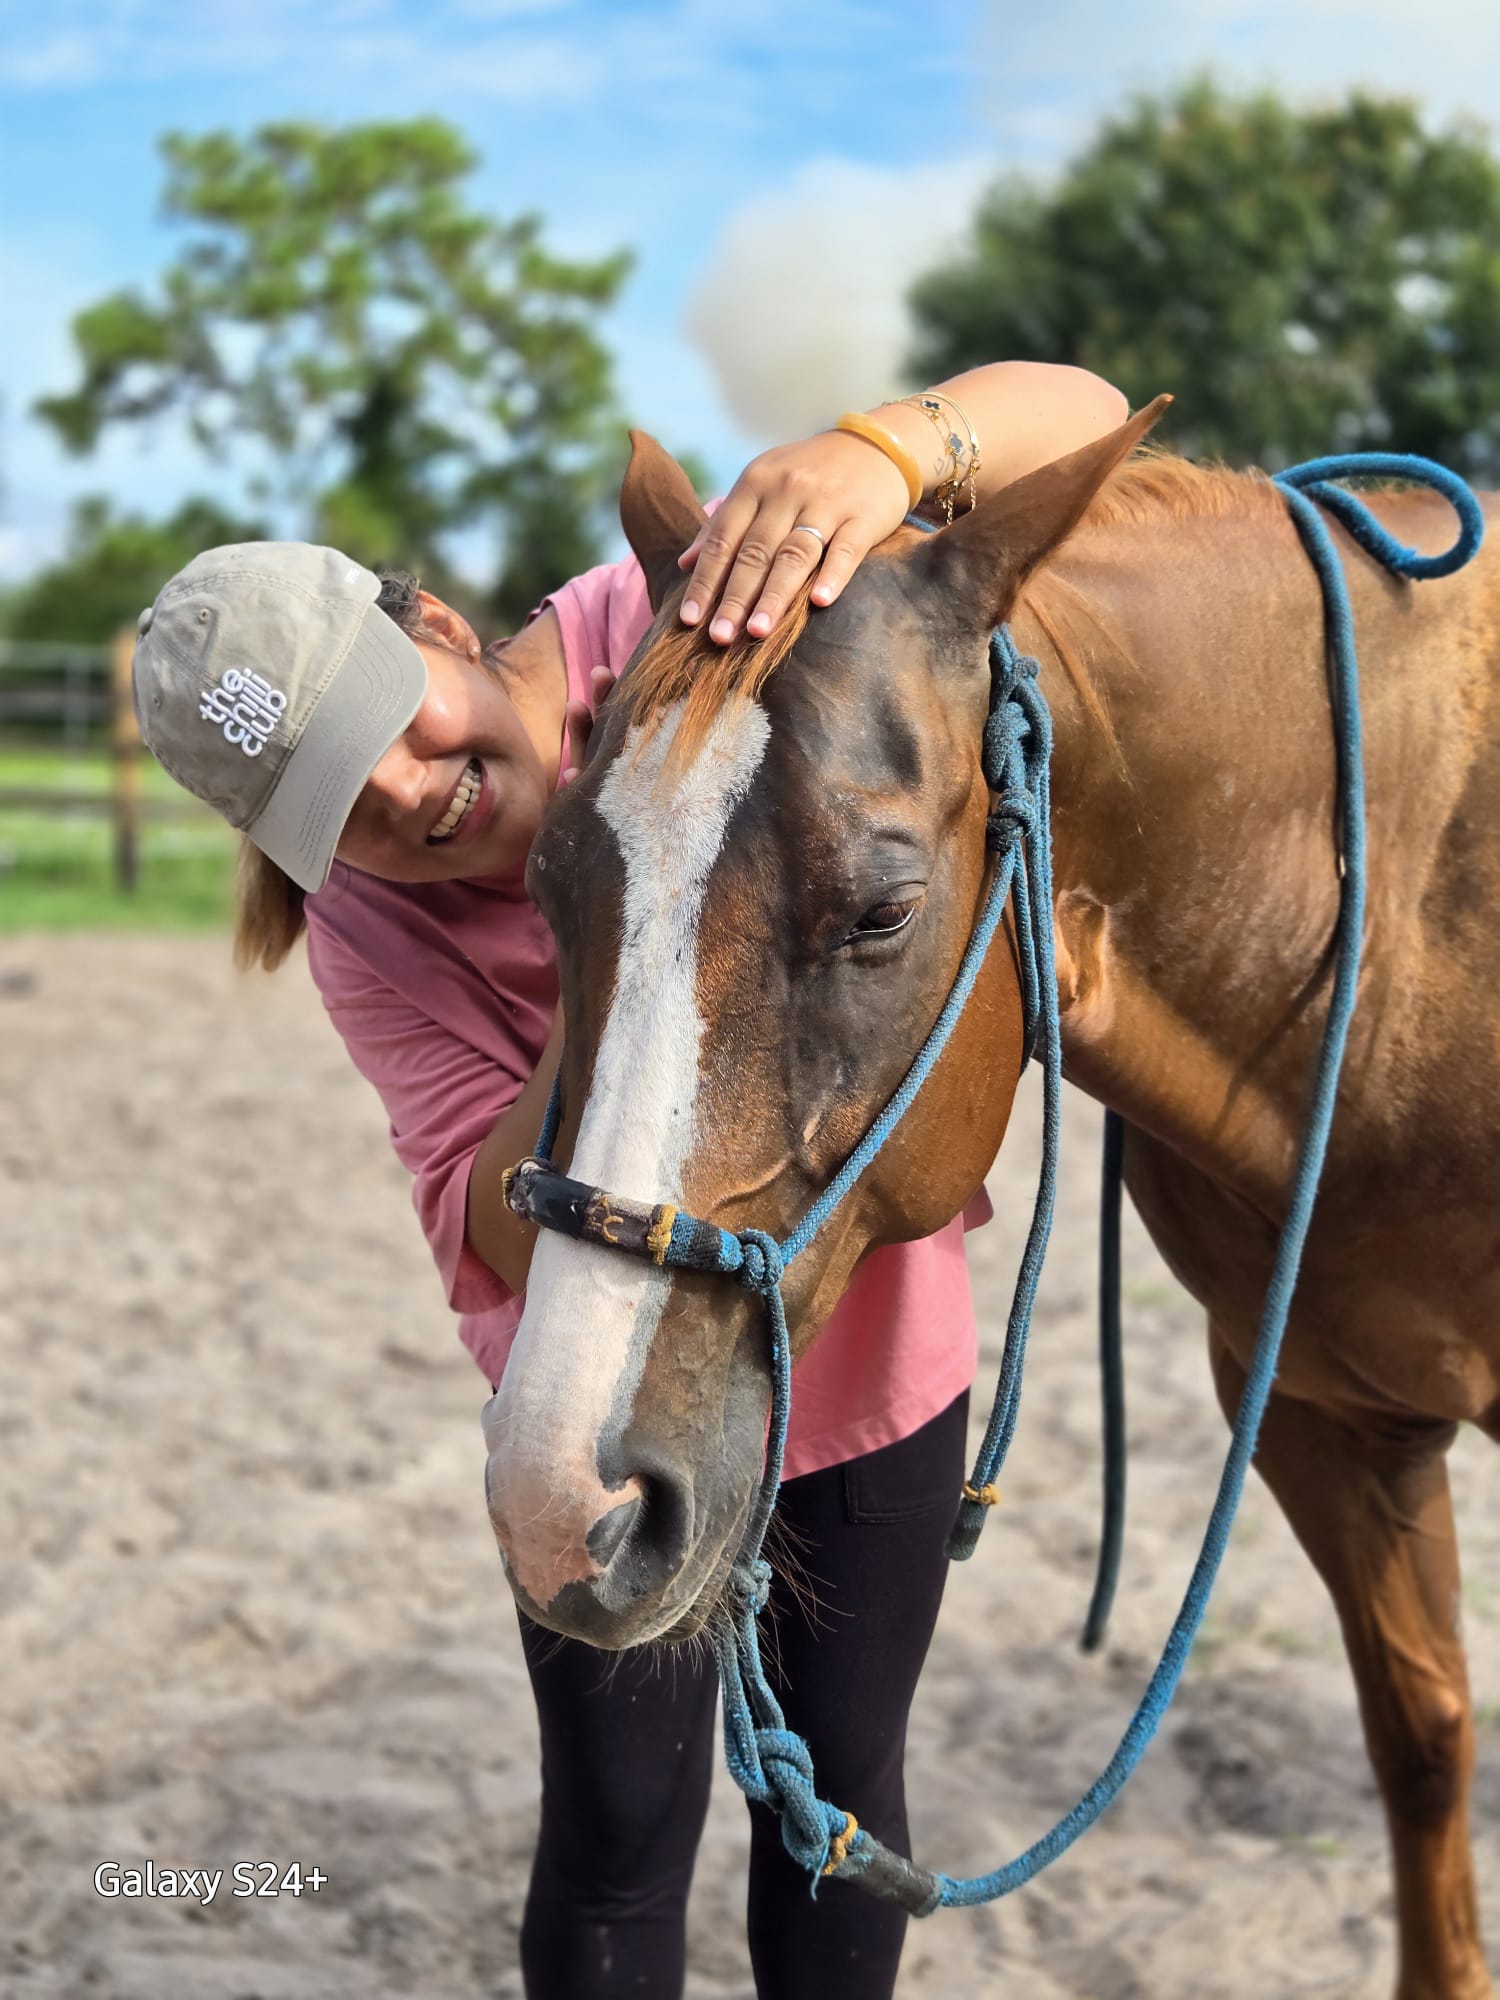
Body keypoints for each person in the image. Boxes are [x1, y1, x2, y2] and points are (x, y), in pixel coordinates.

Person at [131, 359, 1129, 2000]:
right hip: (594, 1386)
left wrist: (884, 456)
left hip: (860, 1355)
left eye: (391, 731)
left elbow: (1082, 413)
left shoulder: (705, 607)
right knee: (612, 1831)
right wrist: (633, 941)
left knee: (833, 1795)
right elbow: (475, 1215)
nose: (407, 800)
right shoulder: (372, 934)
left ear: (439, 629)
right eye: (335, 814)